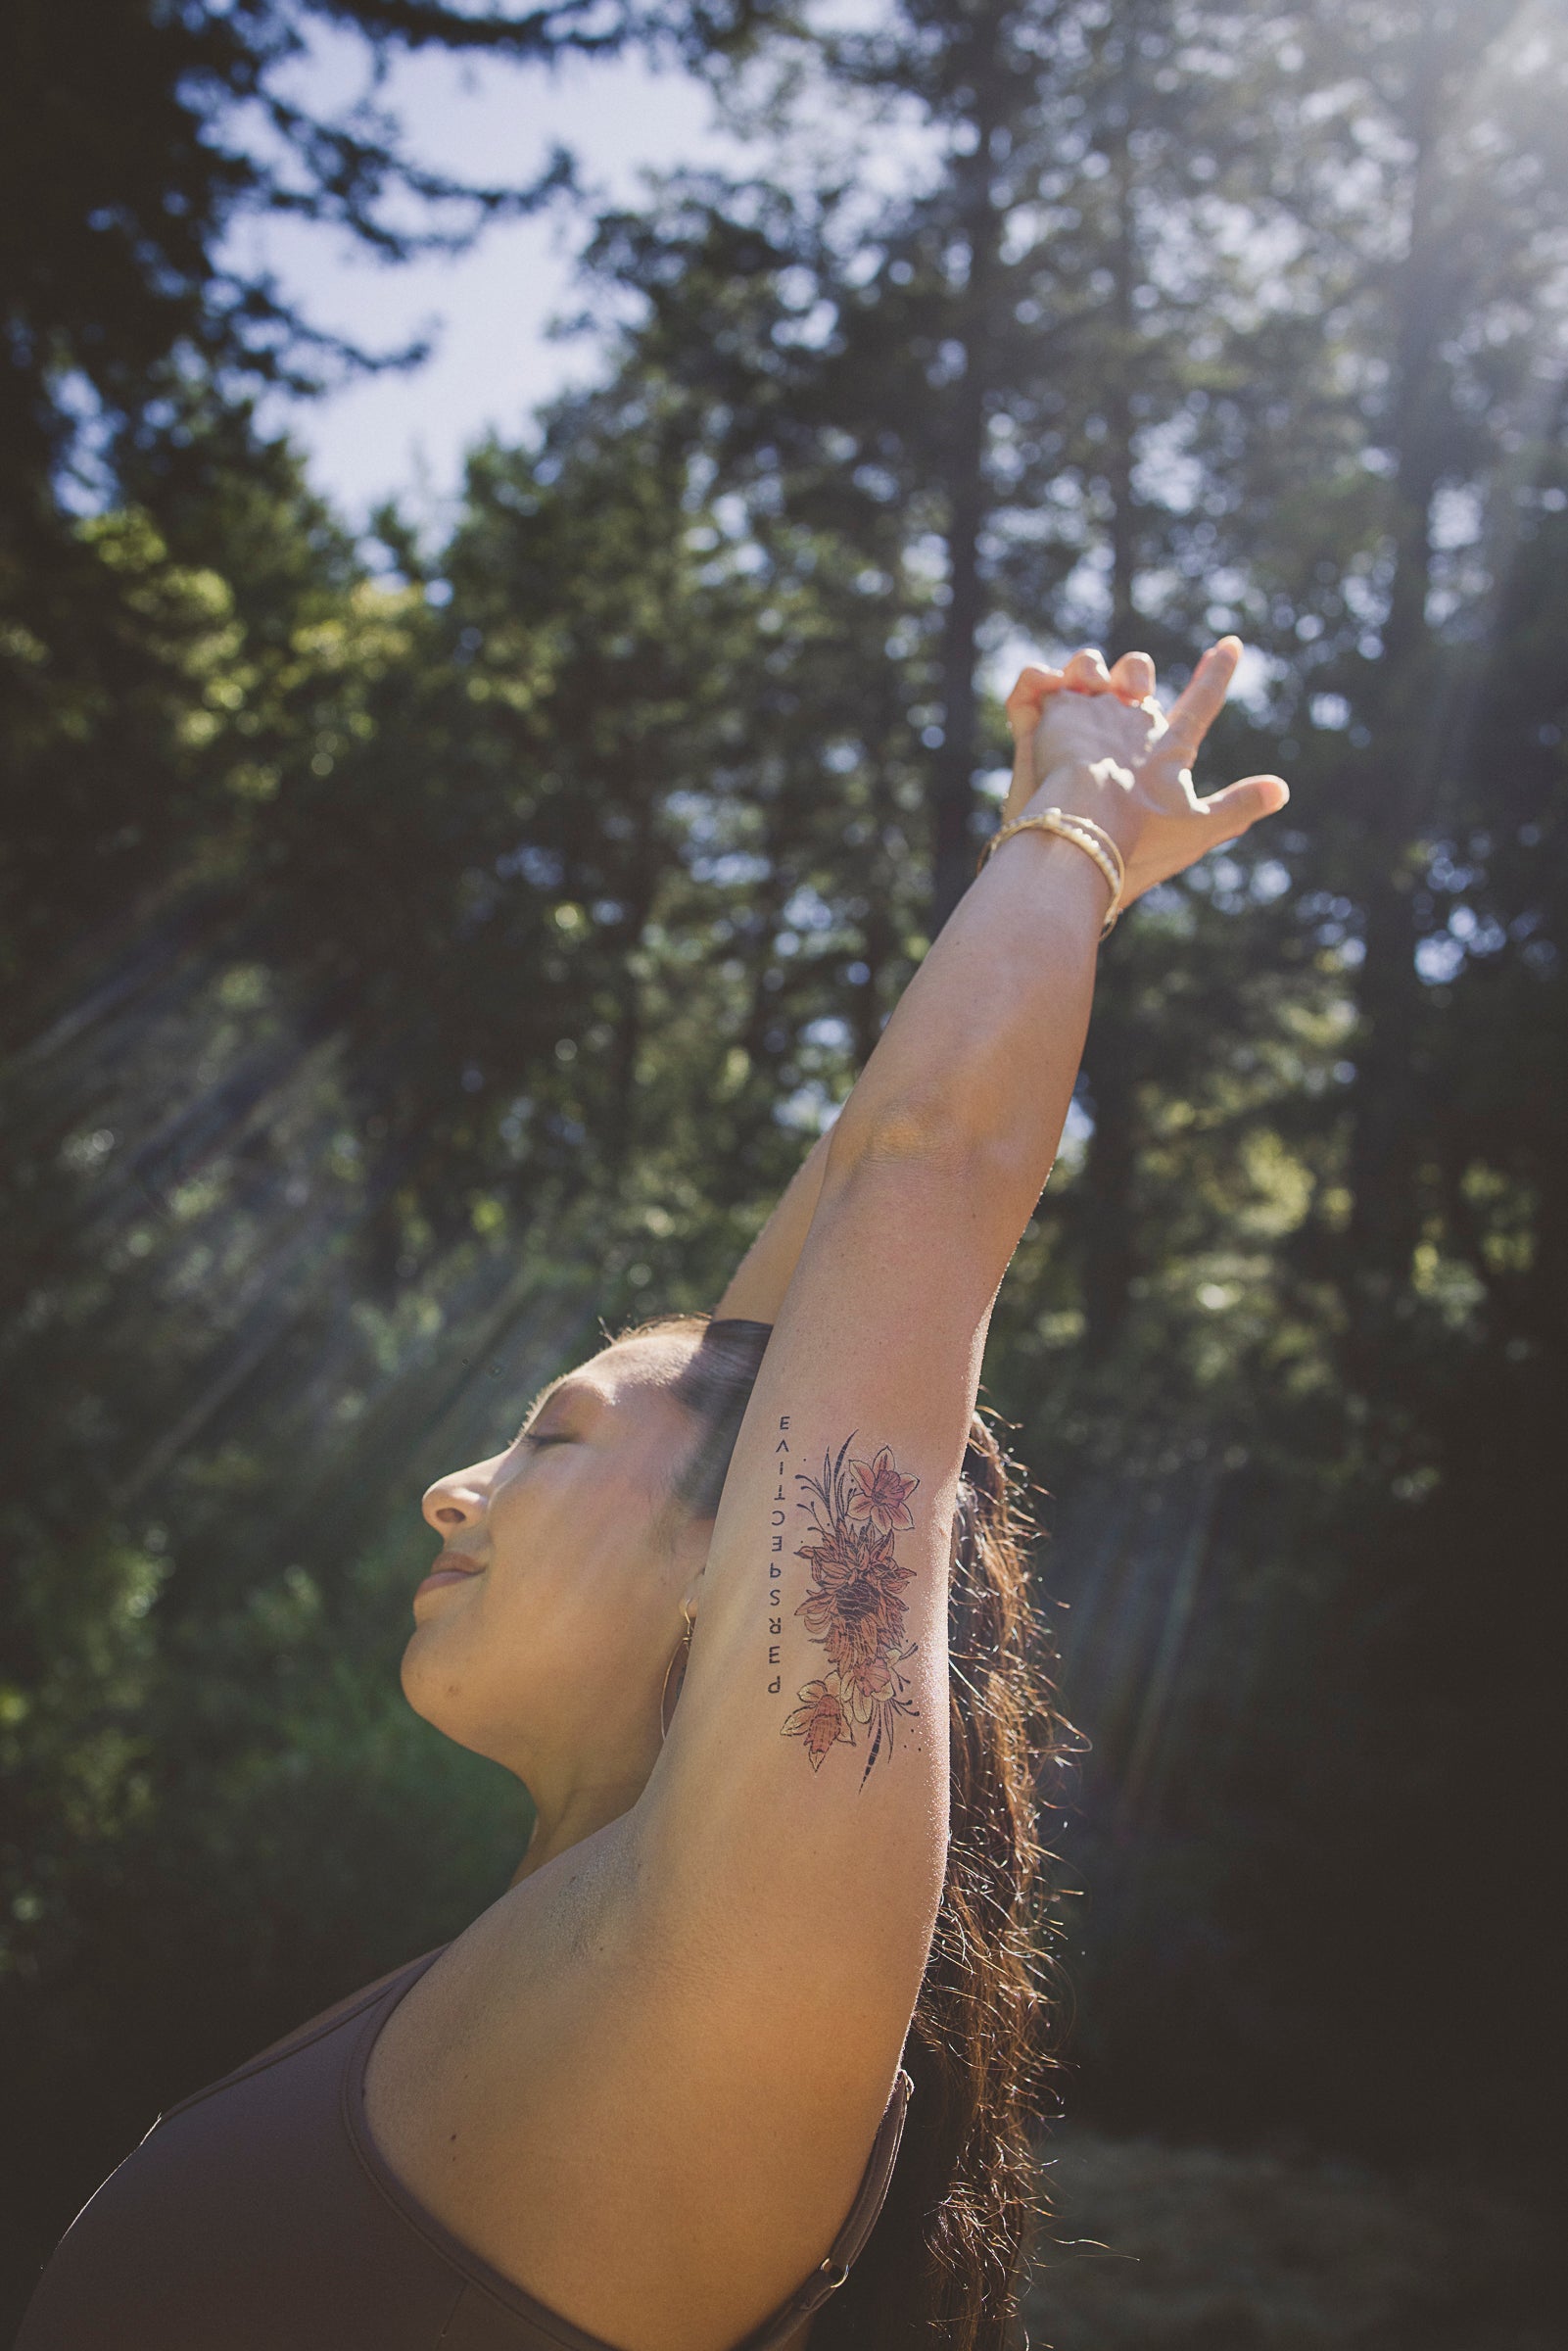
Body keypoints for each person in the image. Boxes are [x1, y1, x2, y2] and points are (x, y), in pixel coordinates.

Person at [15, 641, 1288, 2351]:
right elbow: (835, 1226)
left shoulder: (706, 1959)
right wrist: (1059, 857)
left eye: (543, 1440)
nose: (449, 1492)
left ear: (740, 1551)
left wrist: (1069, 819)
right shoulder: (564, 1944)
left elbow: (918, 1179)